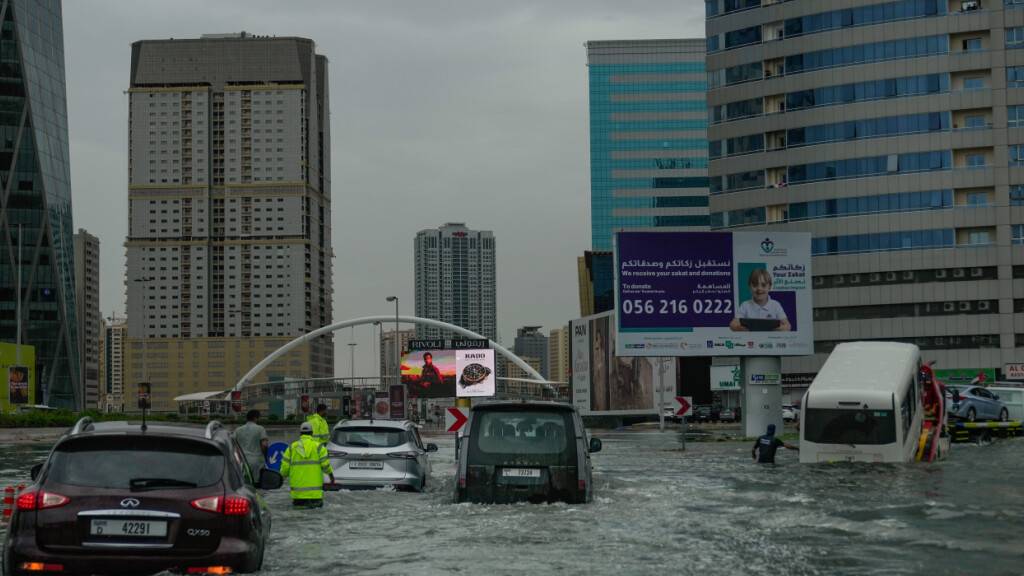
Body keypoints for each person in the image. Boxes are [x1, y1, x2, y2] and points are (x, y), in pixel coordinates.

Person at [280, 421, 335, 508]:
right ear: (312, 433)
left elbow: (284, 471)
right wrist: (331, 476)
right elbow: (325, 466)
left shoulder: (291, 448)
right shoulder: (319, 447)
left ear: (300, 433)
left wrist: (278, 480)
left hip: (298, 495)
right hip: (315, 495)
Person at [232, 409, 269, 481]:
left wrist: (239, 460)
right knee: (257, 486)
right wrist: (265, 457)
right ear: (255, 418)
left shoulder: (238, 430)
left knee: (245, 485)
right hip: (257, 463)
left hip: (242, 463)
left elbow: (234, 447)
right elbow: (264, 445)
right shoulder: (260, 429)